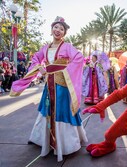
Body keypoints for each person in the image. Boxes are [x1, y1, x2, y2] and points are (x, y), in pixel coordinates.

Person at [10, 16, 88, 161]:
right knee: (47, 110)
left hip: (62, 86)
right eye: (56, 27)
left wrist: (62, 70)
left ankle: (66, 144)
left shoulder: (68, 47)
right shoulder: (45, 48)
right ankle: (43, 140)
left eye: (61, 29)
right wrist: (40, 68)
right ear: (51, 29)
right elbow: (35, 60)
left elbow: (79, 58)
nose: (58, 30)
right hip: (49, 85)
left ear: (64, 33)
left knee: (62, 111)